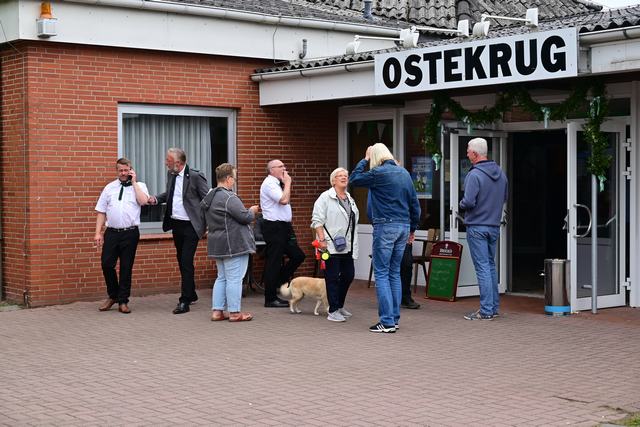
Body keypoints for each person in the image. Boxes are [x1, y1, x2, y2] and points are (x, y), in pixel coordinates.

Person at [350, 143, 420, 333]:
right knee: (394, 272)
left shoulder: (378, 173)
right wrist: (412, 228)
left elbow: (354, 179)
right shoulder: (404, 173)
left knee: (381, 273)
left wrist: (364, 159)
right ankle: (394, 319)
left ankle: (387, 321)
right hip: (403, 226)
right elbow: (414, 203)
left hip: (385, 225)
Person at [148, 148, 209, 314]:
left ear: (178, 163)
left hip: (191, 226)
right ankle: (191, 293)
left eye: (168, 160)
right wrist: (156, 198)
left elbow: (207, 199)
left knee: (186, 261)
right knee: (182, 260)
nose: (165, 163)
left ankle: (184, 301)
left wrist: (208, 224)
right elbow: (170, 194)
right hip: (176, 224)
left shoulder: (195, 176)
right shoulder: (172, 174)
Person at [201, 163, 259, 322]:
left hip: (217, 243)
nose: (234, 181)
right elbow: (244, 217)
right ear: (228, 179)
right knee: (234, 279)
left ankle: (217, 312)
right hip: (233, 244)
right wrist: (252, 211)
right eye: (234, 178)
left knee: (222, 278)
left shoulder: (210, 196)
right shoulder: (229, 197)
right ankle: (234, 313)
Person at [459, 138, 508, 321]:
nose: (467, 154)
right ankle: (493, 308)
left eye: (468, 151)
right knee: (490, 266)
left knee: (482, 268)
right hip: (494, 225)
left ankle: (486, 310)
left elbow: (468, 201)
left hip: (477, 226)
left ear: (475, 153)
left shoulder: (474, 175)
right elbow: (504, 198)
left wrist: (460, 204)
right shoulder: (501, 174)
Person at [94, 158, 149, 314]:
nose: (123, 173)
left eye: (126, 170)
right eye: (121, 170)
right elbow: (101, 211)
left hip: (130, 233)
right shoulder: (109, 188)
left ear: (131, 170)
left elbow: (143, 201)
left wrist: (134, 182)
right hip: (111, 232)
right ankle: (113, 296)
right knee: (106, 264)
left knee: (126, 267)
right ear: (117, 171)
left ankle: (123, 301)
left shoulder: (140, 186)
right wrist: (98, 233)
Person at [311, 167, 360, 322]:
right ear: (333, 180)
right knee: (332, 277)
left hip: (347, 245)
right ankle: (333, 311)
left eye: (346, 175)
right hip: (330, 245)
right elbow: (317, 220)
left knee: (348, 275)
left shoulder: (349, 198)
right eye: (340, 176)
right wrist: (322, 240)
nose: (344, 178)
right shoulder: (325, 197)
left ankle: (339, 305)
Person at [259, 159, 306, 308]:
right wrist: (288, 183)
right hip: (274, 227)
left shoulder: (277, 183)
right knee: (274, 261)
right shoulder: (269, 183)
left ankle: (278, 282)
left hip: (284, 227)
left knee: (298, 255)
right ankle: (270, 298)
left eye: (284, 166)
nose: (284, 168)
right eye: (280, 166)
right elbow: (284, 200)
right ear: (271, 170)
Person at [400, 244, 421, 309]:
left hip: (406, 242)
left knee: (407, 266)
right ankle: (391, 298)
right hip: (391, 241)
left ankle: (405, 298)